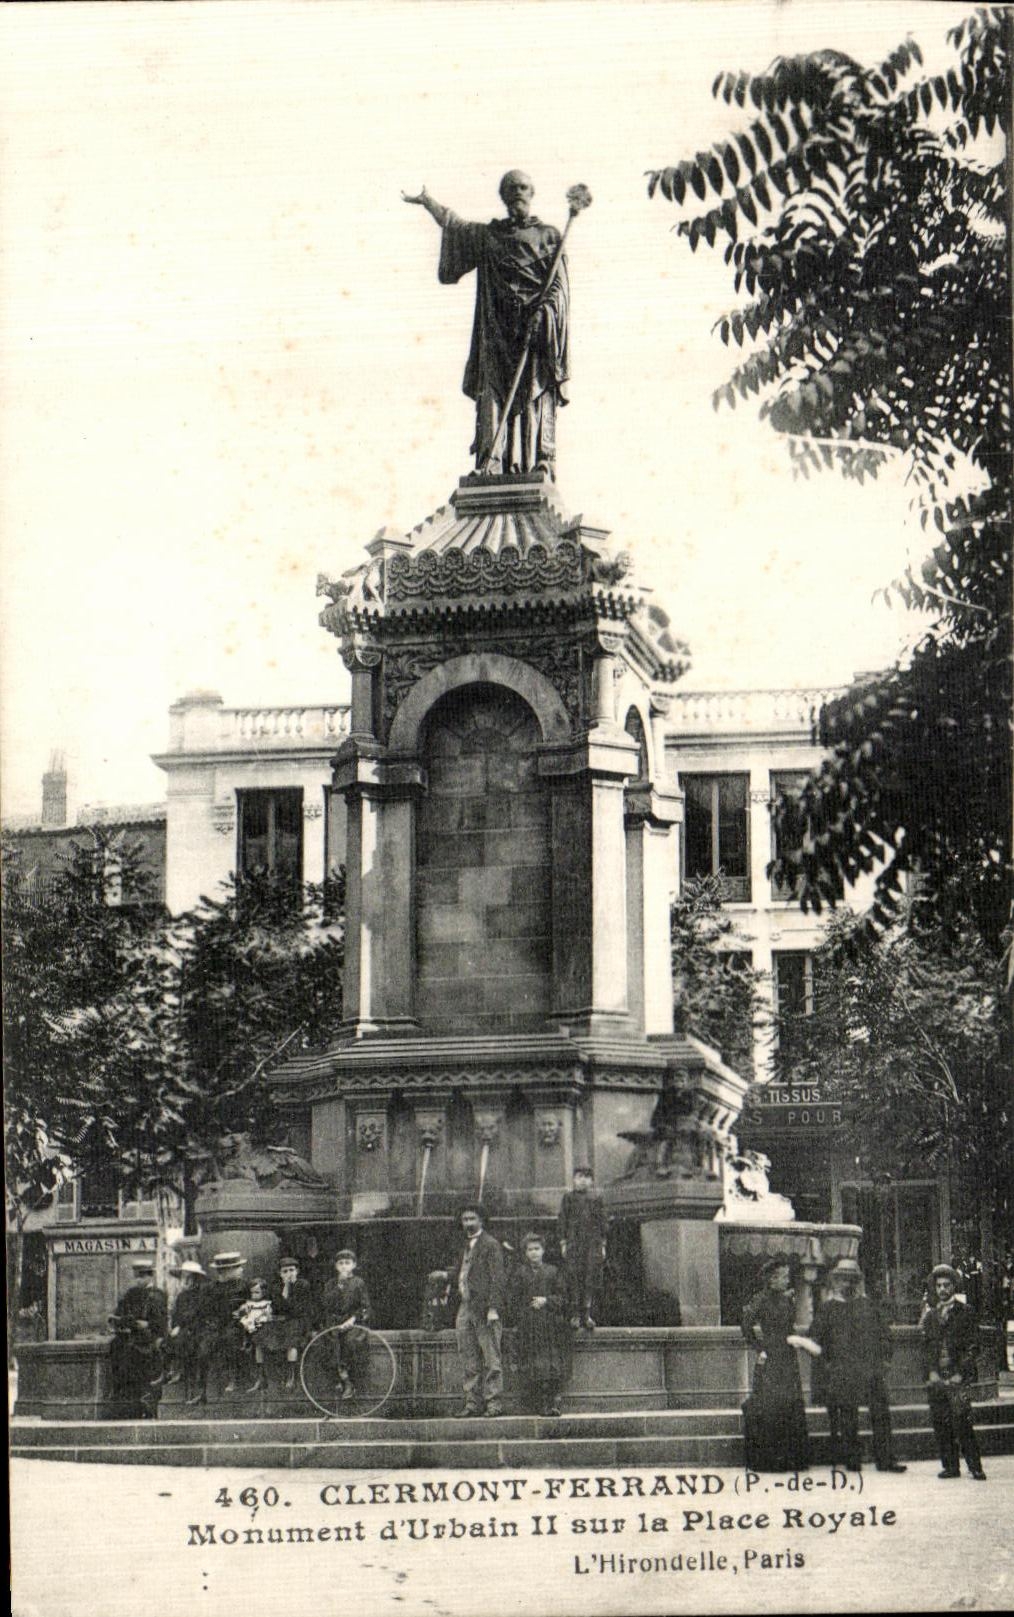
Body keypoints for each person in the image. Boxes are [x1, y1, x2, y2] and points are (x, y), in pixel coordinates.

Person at [403, 171, 569, 476]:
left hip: (534, 330)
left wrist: (545, 311)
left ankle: (541, 461)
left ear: (532, 193)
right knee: (491, 393)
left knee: (536, 390)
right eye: (511, 188)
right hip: (496, 331)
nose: (518, 192)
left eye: (523, 187)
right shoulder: (489, 236)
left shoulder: (549, 236)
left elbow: (558, 285)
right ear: (503, 196)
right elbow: (454, 225)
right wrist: (427, 201)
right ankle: (490, 462)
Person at [808, 1257, 906, 1473]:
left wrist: (885, 1359)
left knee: (881, 1413)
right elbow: (815, 1339)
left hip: (871, 1369)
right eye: (843, 1280)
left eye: (852, 1280)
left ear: (857, 1282)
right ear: (835, 1282)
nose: (847, 1284)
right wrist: (829, 1367)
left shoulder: (868, 1306)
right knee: (848, 1416)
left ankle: (886, 1459)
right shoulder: (827, 1309)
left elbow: (885, 1334)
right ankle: (853, 1459)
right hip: (843, 1371)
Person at [740, 1257, 813, 1472]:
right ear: (772, 1280)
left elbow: (789, 1328)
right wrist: (759, 1347)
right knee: (771, 1402)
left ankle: (791, 1458)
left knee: (789, 1400)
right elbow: (746, 1325)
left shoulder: (786, 1300)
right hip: (771, 1354)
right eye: (783, 1277)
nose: (787, 1280)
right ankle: (771, 1459)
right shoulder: (761, 1300)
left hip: (786, 1355)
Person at [920, 1263, 986, 1481]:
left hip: (958, 1377)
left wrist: (961, 1373)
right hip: (937, 1378)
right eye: (938, 1285)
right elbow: (927, 1349)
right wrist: (931, 1372)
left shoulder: (965, 1312)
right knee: (941, 1423)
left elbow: (973, 1347)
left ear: (954, 1286)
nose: (942, 1289)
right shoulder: (930, 1317)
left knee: (963, 1422)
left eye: (946, 1285)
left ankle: (975, 1466)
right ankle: (950, 1466)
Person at [509, 1233, 571, 1417]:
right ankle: (539, 1403)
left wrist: (547, 1301)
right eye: (530, 1250)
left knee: (550, 1364)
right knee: (533, 1365)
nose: (534, 1253)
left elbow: (563, 1298)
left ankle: (553, 1402)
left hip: (549, 1326)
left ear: (543, 1250)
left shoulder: (553, 1272)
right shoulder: (520, 1273)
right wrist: (524, 1308)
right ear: (525, 1253)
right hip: (529, 1326)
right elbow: (513, 1299)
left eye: (537, 1249)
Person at [454, 1205, 506, 1418]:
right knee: (468, 1357)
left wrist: (493, 1308)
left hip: (484, 1309)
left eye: (472, 1219)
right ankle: (472, 1403)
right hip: (465, 1307)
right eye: (465, 1219)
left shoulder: (491, 1245)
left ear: (481, 1220)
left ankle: (493, 1403)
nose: (468, 1223)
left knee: (491, 1358)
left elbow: (498, 1278)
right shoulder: (464, 1246)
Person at [108, 1257, 168, 1420]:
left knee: (139, 1359)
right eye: (137, 1276)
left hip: (149, 1339)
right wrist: (118, 1319)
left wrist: (148, 1324)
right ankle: (124, 1402)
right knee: (117, 1348)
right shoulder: (131, 1294)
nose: (139, 1280)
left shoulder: (158, 1295)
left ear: (151, 1277)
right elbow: (120, 1312)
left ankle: (144, 1404)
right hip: (130, 1336)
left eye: (142, 1276)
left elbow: (162, 1321)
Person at [557, 1165, 608, 1330]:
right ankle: (575, 1315)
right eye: (579, 1176)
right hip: (574, 1244)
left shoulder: (596, 1199)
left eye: (586, 1177)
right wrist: (563, 1243)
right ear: (573, 1179)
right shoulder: (568, 1198)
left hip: (592, 1245)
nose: (582, 1180)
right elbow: (562, 1220)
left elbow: (602, 1223)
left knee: (590, 1279)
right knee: (574, 1277)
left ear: (592, 1181)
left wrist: (602, 1245)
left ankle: (587, 1314)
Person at [319, 1249, 371, 1402]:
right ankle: (339, 1379)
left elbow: (365, 1306)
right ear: (336, 1266)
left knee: (350, 1342)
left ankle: (350, 1381)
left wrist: (353, 1319)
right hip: (334, 1322)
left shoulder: (358, 1283)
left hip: (354, 1322)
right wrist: (339, 1286)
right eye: (340, 1263)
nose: (344, 1267)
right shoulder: (330, 1284)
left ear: (354, 1265)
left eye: (347, 1263)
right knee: (330, 1342)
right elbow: (326, 1304)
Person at [266, 1256, 316, 1391]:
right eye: (285, 1271)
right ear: (280, 1273)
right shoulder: (276, 1288)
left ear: (297, 1271)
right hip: (282, 1321)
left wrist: (288, 1288)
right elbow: (277, 1307)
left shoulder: (302, 1285)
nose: (289, 1274)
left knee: (291, 1339)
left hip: (299, 1321)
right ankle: (277, 1376)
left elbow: (296, 1309)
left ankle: (291, 1376)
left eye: (291, 1270)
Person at [165, 1259, 209, 1405]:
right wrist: (176, 1326)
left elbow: (197, 1314)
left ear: (195, 1279)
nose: (185, 1281)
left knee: (197, 1350)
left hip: (199, 1330)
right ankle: (175, 1374)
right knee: (172, 1342)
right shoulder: (181, 1296)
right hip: (184, 1331)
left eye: (189, 1277)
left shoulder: (202, 1295)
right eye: (183, 1277)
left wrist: (182, 1326)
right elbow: (177, 1316)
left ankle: (199, 1392)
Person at [206, 1251, 248, 1397]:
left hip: (239, 1324)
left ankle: (233, 1379)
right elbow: (207, 1309)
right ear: (226, 1271)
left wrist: (244, 1311)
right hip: (217, 1324)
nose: (241, 1270)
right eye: (237, 1267)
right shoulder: (212, 1288)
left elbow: (254, 1304)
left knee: (230, 1339)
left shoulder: (244, 1286)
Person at [235, 1277, 274, 1394]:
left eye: (257, 1292)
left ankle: (263, 1380)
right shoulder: (249, 1303)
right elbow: (242, 1312)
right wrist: (242, 1311)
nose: (254, 1295)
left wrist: (265, 1316)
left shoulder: (266, 1303)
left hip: (262, 1327)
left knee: (259, 1350)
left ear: (263, 1292)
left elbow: (268, 1317)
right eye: (252, 1292)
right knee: (244, 1322)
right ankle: (246, 1341)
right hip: (251, 1327)